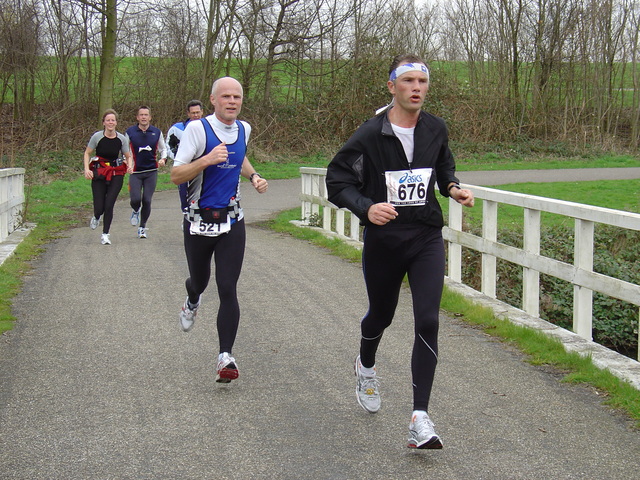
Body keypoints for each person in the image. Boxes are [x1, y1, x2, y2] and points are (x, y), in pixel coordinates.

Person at [326, 54, 474, 449]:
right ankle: (366, 365)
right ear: (391, 87)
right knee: (382, 314)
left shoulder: (435, 129)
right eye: (408, 80)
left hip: (425, 236)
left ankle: (419, 418)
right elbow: (337, 181)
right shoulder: (371, 134)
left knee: (427, 320)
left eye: (422, 82)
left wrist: (454, 188)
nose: (416, 88)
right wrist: (366, 207)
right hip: (385, 240)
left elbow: (443, 170)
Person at [171, 76, 268, 383]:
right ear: (213, 100)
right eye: (225, 96)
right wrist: (206, 160)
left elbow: (240, 158)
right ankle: (192, 299)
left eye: (237, 97)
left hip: (231, 220)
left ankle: (226, 356)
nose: (232, 101)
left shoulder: (244, 129)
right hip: (199, 221)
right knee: (200, 281)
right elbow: (176, 174)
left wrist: (254, 177)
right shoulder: (198, 130)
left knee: (228, 287)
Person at [83, 109, 132, 245]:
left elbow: (128, 156)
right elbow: (87, 153)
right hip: (99, 172)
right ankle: (97, 216)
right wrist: (87, 169)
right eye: (108, 120)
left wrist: (129, 166)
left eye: (113, 120)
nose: (111, 122)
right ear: (104, 122)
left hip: (116, 173)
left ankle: (105, 234)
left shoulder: (121, 138)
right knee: (99, 207)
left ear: (116, 122)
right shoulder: (97, 137)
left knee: (109, 204)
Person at [125, 105, 167, 238]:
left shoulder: (156, 132)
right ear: (137, 117)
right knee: (135, 199)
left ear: (150, 117)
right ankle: (135, 210)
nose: (143, 117)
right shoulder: (130, 132)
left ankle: (142, 227)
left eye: (146, 115)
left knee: (147, 200)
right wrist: (127, 163)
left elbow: (163, 149)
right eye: (141, 115)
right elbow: (125, 151)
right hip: (135, 172)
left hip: (151, 171)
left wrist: (163, 159)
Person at [166, 100, 205, 210]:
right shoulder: (177, 129)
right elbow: (168, 146)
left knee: (204, 193)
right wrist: (179, 159)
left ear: (202, 112)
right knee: (185, 195)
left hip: (204, 167)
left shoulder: (209, 128)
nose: (196, 115)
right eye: (193, 113)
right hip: (185, 168)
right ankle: (186, 218)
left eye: (198, 112)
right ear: (188, 113)